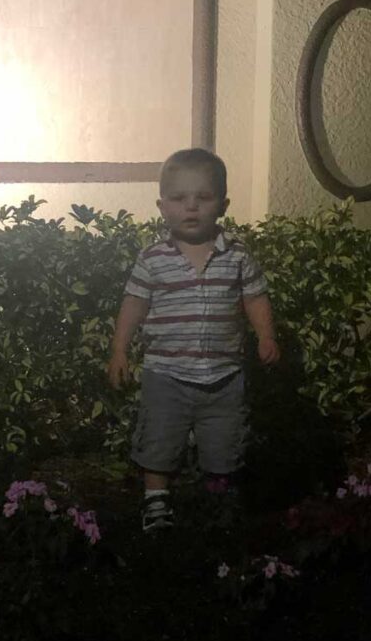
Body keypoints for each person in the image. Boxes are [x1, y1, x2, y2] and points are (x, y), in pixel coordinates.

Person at [107, 148, 280, 532]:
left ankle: (218, 503)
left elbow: (254, 297)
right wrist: (119, 349)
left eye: (203, 198)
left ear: (223, 204)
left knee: (224, 441)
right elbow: (134, 303)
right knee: (159, 440)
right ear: (161, 206)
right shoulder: (153, 258)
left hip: (223, 375)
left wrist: (266, 334)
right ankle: (156, 505)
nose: (191, 208)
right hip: (165, 374)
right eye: (179, 198)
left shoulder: (237, 257)